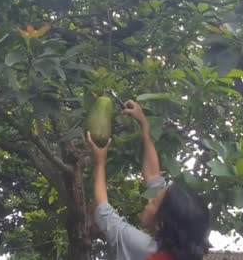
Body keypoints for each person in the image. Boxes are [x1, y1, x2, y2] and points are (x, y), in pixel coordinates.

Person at [85, 100, 211, 260]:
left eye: (153, 202)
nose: (148, 201)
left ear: (163, 220)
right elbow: (153, 176)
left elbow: (104, 214)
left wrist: (99, 162)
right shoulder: (183, 251)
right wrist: (144, 126)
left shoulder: (146, 248)